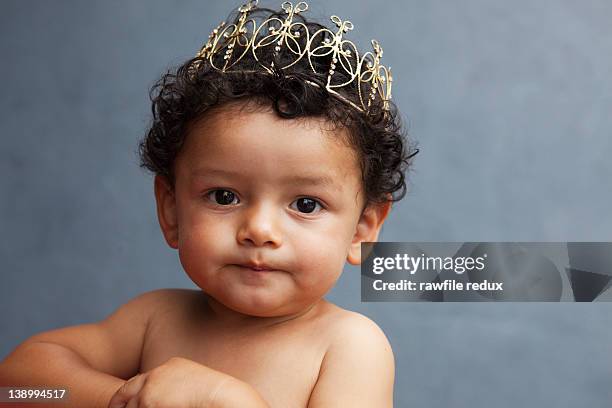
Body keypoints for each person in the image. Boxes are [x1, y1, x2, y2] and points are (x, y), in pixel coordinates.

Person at [0, 1, 417, 406]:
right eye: (224, 196)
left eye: (306, 204)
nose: (259, 229)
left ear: (363, 229)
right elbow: (17, 388)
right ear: (171, 210)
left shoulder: (348, 347)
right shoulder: (155, 318)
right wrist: (129, 399)